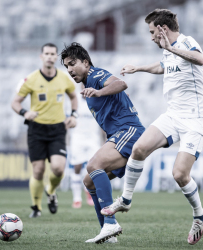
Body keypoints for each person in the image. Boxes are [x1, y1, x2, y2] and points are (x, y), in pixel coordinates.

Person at [101, 9, 203, 245]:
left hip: (196, 118)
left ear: (163, 29)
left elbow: (200, 59)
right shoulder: (169, 53)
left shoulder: (186, 43)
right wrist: (138, 68)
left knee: (180, 174)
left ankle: (199, 215)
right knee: (139, 148)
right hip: (173, 115)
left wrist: (170, 48)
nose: (151, 37)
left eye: (152, 31)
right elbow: (163, 66)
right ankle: (126, 200)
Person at [60, 42, 145, 244]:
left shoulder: (96, 75)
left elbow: (121, 83)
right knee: (89, 181)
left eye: (72, 63)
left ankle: (110, 223)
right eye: (66, 67)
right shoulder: (87, 84)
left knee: (93, 165)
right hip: (117, 135)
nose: (70, 69)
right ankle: (108, 235)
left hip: (128, 131)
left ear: (86, 62)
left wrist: (98, 92)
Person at [11, 43, 78, 218]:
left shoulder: (64, 78)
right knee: (38, 170)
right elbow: (15, 103)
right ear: (41, 56)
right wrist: (25, 113)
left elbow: (73, 97)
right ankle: (36, 207)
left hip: (57, 128)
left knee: (58, 169)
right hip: (37, 129)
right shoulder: (31, 79)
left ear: (57, 57)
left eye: (52, 54)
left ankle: (51, 190)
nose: (49, 56)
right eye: (46, 53)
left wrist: (74, 115)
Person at [68, 84, 101, 209]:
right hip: (78, 138)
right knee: (77, 166)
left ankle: (89, 191)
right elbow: (69, 119)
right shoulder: (74, 100)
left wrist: (104, 140)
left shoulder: (97, 100)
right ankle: (77, 198)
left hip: (93, 138)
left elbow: (101, 121)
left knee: (93, 167)